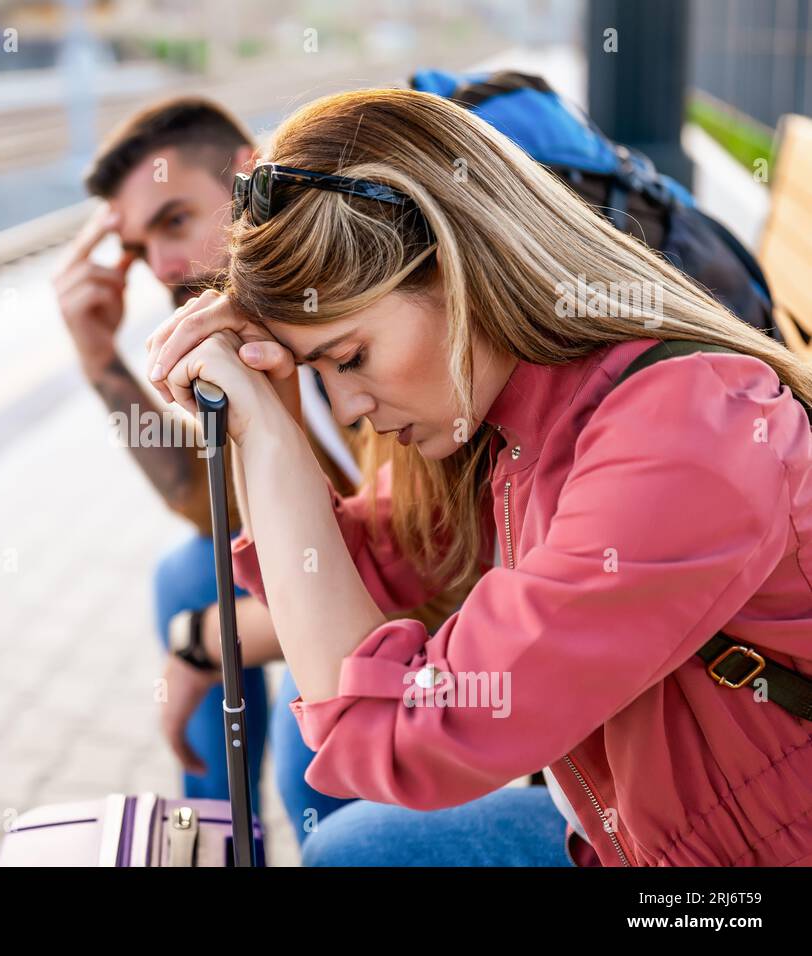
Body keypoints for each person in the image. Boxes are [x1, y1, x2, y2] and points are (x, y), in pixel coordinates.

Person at [144, 87, 812, 866]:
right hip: (643, 837)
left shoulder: (687, 432)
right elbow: (363, 565)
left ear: (461, 270)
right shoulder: (512, 412)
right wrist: (266, 410)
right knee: (352, 838)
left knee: (355, 842)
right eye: (322, 368)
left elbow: (404, 738)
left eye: (351, 357)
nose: (351, 406)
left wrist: (274, 445)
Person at [54, 96, 434, 826]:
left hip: (422, 592)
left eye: (174, 220)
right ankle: (216, 832)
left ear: (249, 176)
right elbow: (211, 509)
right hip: (365, 559)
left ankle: (276, 826)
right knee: (188, 571)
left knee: (310, 765)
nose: (162, 265)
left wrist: (200, 646)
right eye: (138, 249)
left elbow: (421, 563)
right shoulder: (257, 327)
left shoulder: (345, 308)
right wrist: (101, 361)